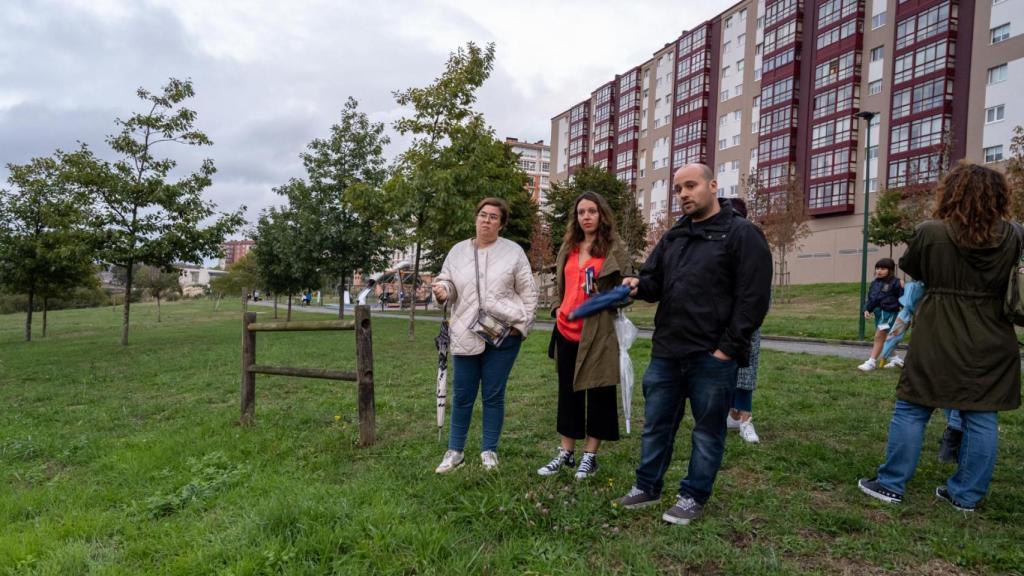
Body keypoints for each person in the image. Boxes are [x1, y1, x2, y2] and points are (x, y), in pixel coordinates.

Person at [858, 162, 1021, 512]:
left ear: (952, 193)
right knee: (981, 415)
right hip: (993, 334)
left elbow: (915, 268)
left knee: (913, 407)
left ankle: (891, 484)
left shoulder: (931, 232)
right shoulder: (1014, 234)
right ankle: (966, 496)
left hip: (938, 331)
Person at [614, 164, 772, 525]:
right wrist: (636, 284)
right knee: (656, 425)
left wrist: (727, 350)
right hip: (667, 352)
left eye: (691, 185)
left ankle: (693, 495)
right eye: (678, 188)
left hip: (712, 358)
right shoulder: (674, 236)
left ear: (713, 186)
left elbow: (753, 300)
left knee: (707, 430)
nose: (684, 193)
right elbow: (654, 283)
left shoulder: (742, 234)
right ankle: (647, 486)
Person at [431, 198, 538, 473]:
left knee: (493, 394)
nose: (486, 220)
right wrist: (443, 290)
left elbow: (529, 292)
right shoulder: (457, 252)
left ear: (501, 224)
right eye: (482, 215)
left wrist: (522, 325)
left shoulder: (513, 252)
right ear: (475, 218)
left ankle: (489, 450)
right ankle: (455, 451)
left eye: (493, 217)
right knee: (463, 394)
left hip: (504, 334)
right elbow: (448, 282)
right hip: (465, 331)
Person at [536, 191, 634, 480]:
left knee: (600, 393)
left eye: (592, 211)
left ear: (602, 214)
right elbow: (559, 286)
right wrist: (556, 309)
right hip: (566, 331)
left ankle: (590, 456)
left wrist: (604, 296)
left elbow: (629, 290)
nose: (587, 217)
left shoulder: (615, 247)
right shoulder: (569, 246)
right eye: (581, 212)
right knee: (568, 393)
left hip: (598, 333)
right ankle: (566, 452)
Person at [723, 198, 761, 444]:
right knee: (720, 370)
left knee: (746, 371)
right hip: (717, 319)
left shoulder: (753, 242)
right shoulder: (715, 243)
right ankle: (729, 414)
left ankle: (745, 418)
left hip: (746, 319)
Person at [858, 258, 904, 371]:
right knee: (884, 337)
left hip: (889, 313)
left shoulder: (896, 283)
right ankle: (896, 358)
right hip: (879, 313)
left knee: (879, 336)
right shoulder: (874, 283)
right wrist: (867, 309)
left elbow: (903, 298)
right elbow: (871, 299)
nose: (879, 271)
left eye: (883, 268)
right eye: (877, 268)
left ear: (890, 270)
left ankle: (871, 362)